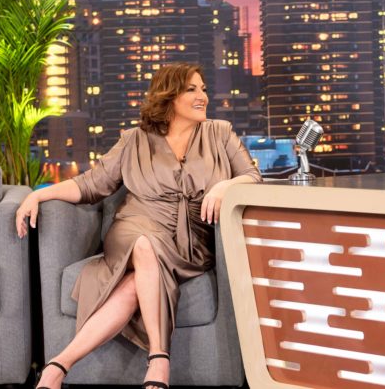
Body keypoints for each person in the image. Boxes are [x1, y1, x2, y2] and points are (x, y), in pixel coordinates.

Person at [15, 63, 262, 389]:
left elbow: (252, 177)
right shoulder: (134, 139)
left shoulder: (221, 133)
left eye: (203, 89)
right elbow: (92, 185)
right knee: (144, 243)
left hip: (190, 246)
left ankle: (57, 367)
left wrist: (223, 187)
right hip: (135, 226)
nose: (203, 96)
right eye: (192, 89)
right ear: (169, 95)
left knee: (135, 285)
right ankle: (159, 360)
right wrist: (38, 195)